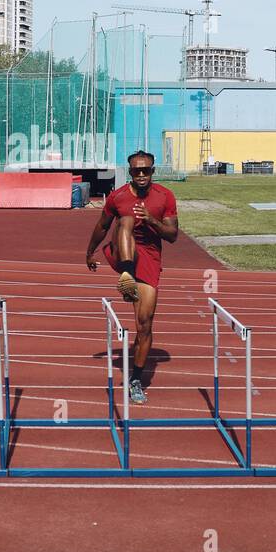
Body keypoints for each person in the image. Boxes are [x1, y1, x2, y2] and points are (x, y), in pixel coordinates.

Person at [84, 151, 178, 404]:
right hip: (121, 251)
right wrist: (90, 251)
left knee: (144, 324)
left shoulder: (164, 196)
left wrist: (152, 220)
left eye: (145, 170)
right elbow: (103, 225)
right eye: (136, 171)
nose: (141, 175)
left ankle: (136, 379)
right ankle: (126, 275)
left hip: (149, 257)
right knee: (125, 220)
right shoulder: (119, 196)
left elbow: (172, 235)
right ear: (130, 172)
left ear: (152, 171)